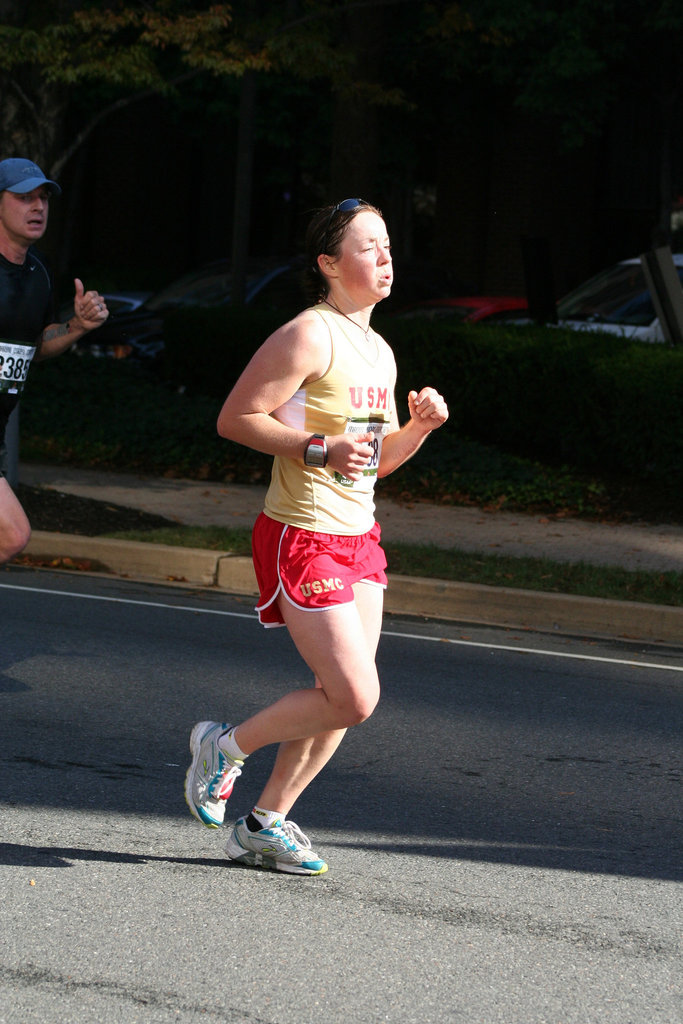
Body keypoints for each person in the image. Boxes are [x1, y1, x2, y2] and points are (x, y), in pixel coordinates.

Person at [185, 197, 448, 875]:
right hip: (302, 534)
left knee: (338, 699)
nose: (385, 257)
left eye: (388, 244)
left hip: (359, 537)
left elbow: (373, 458)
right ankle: (224, 746)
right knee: (355, 695)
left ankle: (264, 823)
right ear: (329, 264)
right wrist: (315, 449)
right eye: (368, 246)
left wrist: (415, 429)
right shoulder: (308, 334)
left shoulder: (378, 351)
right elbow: (235, 417)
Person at [0, 157, 109, 564]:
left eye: (43, 198)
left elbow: (36, 344)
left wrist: (77, 326)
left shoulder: (39, 271)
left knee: (10, 537)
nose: (37, 207)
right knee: (12, 533)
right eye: (24, 197)